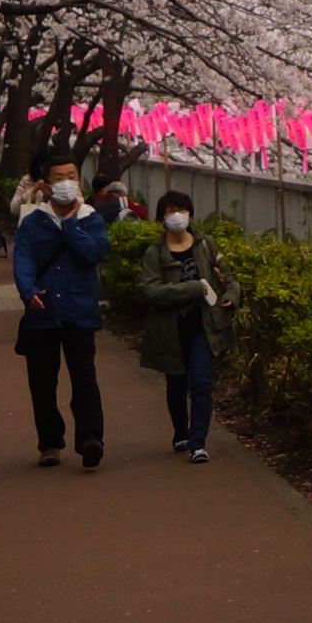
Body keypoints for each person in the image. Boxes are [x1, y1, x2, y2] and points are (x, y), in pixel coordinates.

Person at [13, 162, 111, 468]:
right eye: (59, 178)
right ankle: (50, 442)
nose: (66, 183)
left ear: (80, 182)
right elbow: (23, 259)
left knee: (84, 378)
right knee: (42, 382)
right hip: (43, 311)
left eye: (71, 177)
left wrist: (70, 226)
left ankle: (90, 438)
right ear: (46, 185)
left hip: (79, 310)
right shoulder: (33, 221)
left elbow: (94, 253)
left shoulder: (90, 219)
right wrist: (28, 291)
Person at [137, 192, 237, 461]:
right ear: (161, 218)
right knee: (176, 383)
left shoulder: (206, 245)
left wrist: (230, 297)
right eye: (170, 211)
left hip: (203, 326)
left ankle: (198, 442)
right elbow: (151, 291)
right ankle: (181, 432)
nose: (177, 216)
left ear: (191, 214)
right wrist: (193, 288)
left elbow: (228, 275)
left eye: (182, 210)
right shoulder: (155, 253)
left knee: (202, 383)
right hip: (170, 329)